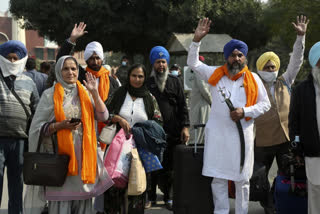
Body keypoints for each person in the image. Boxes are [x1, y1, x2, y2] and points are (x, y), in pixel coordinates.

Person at [187, 18, 271, 214]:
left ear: (245, 58)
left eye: (240, 55)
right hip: (218, 136)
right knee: (218, 179)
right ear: (227, 57)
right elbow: (192, 63)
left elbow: (265, 104)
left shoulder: (254, 79)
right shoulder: (215, 74)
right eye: (233, 55)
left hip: (243, 137)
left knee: (242, 180)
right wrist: (197, 40)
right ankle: (221, 212)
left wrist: (245, 111)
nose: (237, 58)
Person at [26, 55, 113, 214]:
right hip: (59, 160)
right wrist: (60, 125)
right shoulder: (49, 94)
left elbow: (104, 117)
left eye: (73, 68)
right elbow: (36, 128)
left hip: (83, 160)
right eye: (65, 69)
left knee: (82, 203)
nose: (70, 72)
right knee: (61, 205)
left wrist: (95, 93)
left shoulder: (86, 92)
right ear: (58, 71)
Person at [254, 15, 309, 214]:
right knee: (259, 178)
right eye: (267, 67)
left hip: (285, 138)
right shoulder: (253, 85)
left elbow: (296, 61)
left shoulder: (285, 81)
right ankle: (267, 203)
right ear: (260, 69)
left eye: (273, 67)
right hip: (261, 140)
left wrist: (300, 38)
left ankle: (279, 203)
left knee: (287, 173)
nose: (271, 70)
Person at [104, 63, 162, 214]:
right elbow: (104, 114)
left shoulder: (149, 98)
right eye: (134, 76)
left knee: (136, 188)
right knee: (114, 186)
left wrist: (143, 129)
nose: (137, 79)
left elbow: (158, 121)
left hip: (140, 150)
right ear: (128, 76)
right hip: (117, 148)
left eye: (140, 76)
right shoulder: (119, 93)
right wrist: (117, 118)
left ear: (145, 78)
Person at [56, 22, 119, 150]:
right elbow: (62, 59)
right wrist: (72, 39)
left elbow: (117, 105)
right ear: (86, 59)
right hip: (84, 127)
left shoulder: (112, 81)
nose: (95, 61)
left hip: (106, 130)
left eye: (97, 58)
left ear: (102, 59)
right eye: (91, 58)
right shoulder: (80, 75)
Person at [146, 46, 190, 210]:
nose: (161, 65)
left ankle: (169, 197)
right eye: (158, 62)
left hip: (173, 131)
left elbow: (182, 106)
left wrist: (185, 127)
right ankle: (150, 196)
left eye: (163, 62)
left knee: (171, 167)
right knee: (153, 166)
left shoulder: (175, 81)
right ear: (153, 64)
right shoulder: (147, 83)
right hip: (152, 133)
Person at [0, 40, 39, 214]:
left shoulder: (29, 82)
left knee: (16, 184)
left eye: (16, 58)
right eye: (9, 58)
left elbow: (36, 110)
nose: (12, 62)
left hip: (20, 141)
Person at [289, 41, 320, 214]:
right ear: (315, 63)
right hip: (313, 150)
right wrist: (296, 147)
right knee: (315, 191)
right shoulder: (302, 90)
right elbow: (294, 121)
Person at [188, 55, 212, 145]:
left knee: (201, 129)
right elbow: (204, 90)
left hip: (203, 104)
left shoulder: (199, 72)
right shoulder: (198, 73)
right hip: (201, 104)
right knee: (198, 129)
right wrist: (212, 102)